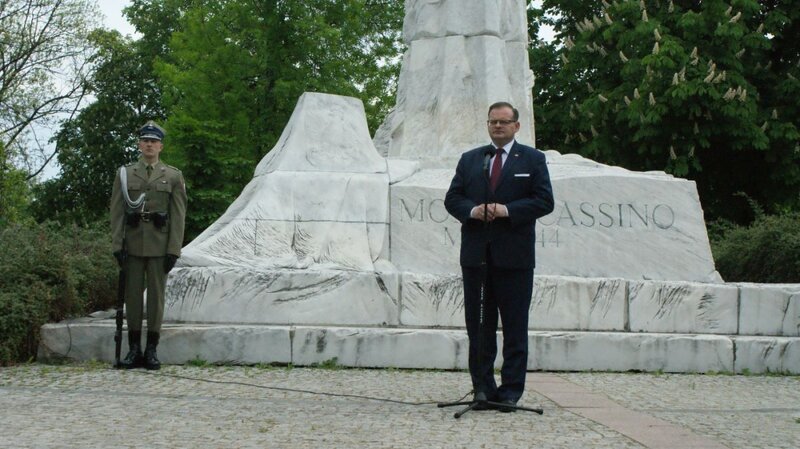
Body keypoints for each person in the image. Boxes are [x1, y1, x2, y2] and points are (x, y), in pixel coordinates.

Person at [444, 102, 554, 411]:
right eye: (493, 121)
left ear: (516, 126)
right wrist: (472, 210)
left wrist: (507, 210)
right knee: (479, 327)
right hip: (476, 257)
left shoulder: (532, 159)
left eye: (504, 122)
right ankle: (482, 389)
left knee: (514, 327)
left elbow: (544, 201)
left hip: (515, 258)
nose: (497, 126)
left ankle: (510, 392)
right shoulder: (471, 159)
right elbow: (453, 198)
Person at [110, 121, 187, 370]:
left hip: (159, 246)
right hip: (132, 244)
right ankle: (134, 349)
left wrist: (174, 249)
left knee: (156, 299)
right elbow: (116, 212)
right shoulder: (125, 174)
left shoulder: (173, 176)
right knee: (132, 298)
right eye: (145, 141)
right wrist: (117, 245)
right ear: (139, 144)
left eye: (154, 141)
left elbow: (178, 215)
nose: (149, 145)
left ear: (161, 146)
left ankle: (152, 350)